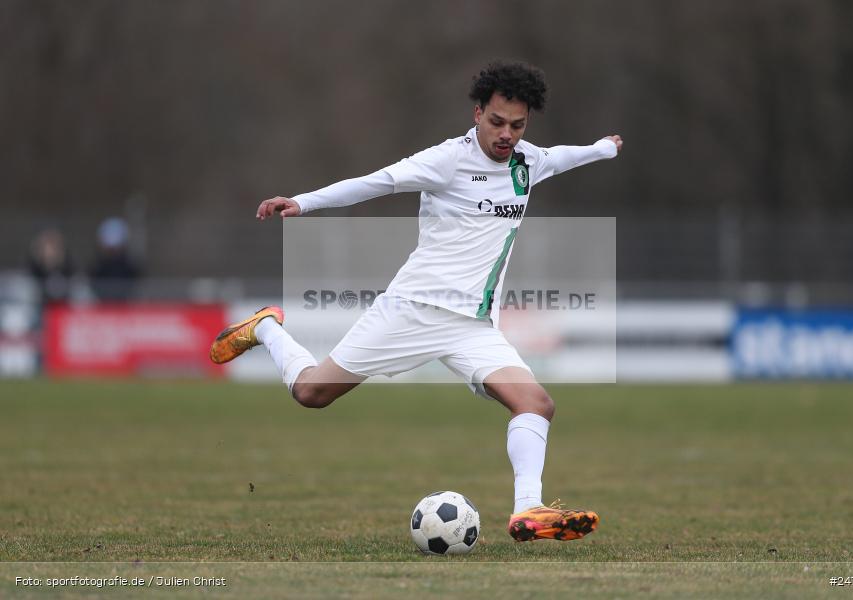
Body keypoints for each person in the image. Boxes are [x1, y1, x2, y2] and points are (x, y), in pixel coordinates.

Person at [210, 61, 623, 542]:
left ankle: (527, 510)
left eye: (517, 124)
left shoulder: (527, 161)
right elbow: (378, 181)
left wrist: (602, 149)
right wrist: (304, 202)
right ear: (477, 113)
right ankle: (265, 327)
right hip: (412, 310)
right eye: (497, 122)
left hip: (473, 327)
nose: (506, 134)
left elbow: (563, 156)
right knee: (311, 393)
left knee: (536, 403)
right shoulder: (447, 160)